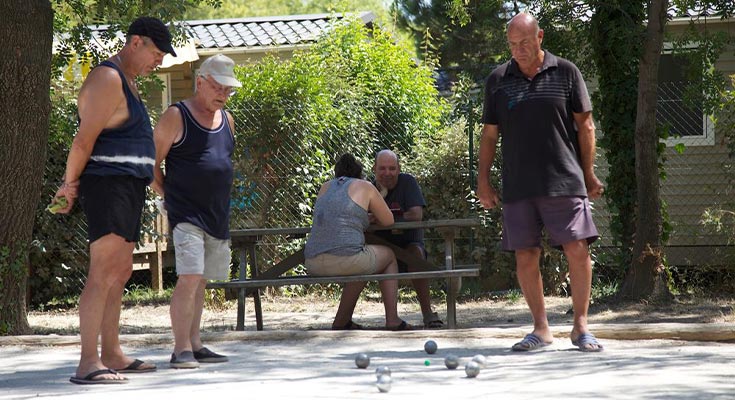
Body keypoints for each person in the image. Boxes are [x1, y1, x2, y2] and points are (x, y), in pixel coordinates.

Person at [52, 17, 177, 384]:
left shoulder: (130, 82)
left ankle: (112, 353)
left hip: (128, 186)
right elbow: (83, 141)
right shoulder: (108, 78)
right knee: (103, 271)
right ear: (135, 42)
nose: (160, 61)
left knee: (120, 272)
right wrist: (68, 184)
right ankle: (88, 362)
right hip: (107, 184)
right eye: (156, 53)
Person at [476, 12, 605, 352]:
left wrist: (588, 173)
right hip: (519, 184)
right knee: (525, 255)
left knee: (578, 249)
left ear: (540, 37)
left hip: (565, 179)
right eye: (512, 45)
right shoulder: (498, 79)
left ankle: (580, 327)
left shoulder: (566, 72)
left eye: (524, 43)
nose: (517, 51)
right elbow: (489, 136)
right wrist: (483, 181)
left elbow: (586, 127)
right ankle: (541, 329)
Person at [150, 54, 241, 368]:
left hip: (217, 215)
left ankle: (196, 343)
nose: (223, 94)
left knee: (201, 280)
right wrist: (169, 195)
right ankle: (179, 350)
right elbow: (151, 163)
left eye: (228, 90)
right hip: (185, 214)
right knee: (189, 277)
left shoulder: (227, 120)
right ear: (200, 82)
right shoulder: (176, 115)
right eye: (217, 87)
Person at [304, 153, 412, 331]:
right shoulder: (365, 186)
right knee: (388, 256)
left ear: (336, 174)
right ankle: (392, 319)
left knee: (362, 261)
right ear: (360, 174)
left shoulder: (325, 187)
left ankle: (341, 321)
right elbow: (388, 221)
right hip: (347, 260)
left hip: (312, 262)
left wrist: (362, 218)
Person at [371, 149, 443, 329]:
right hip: (380, 248)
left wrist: (382, 217)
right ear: (374, 169)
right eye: (382, 169)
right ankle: (389, 318)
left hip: (409, 245)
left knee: (416, 255)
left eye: (392, 168)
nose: (387, 173)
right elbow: (362, 217)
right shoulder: (368, 188)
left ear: (399, 169)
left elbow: (416, 215)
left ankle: (428, 313)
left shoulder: (408, 182)